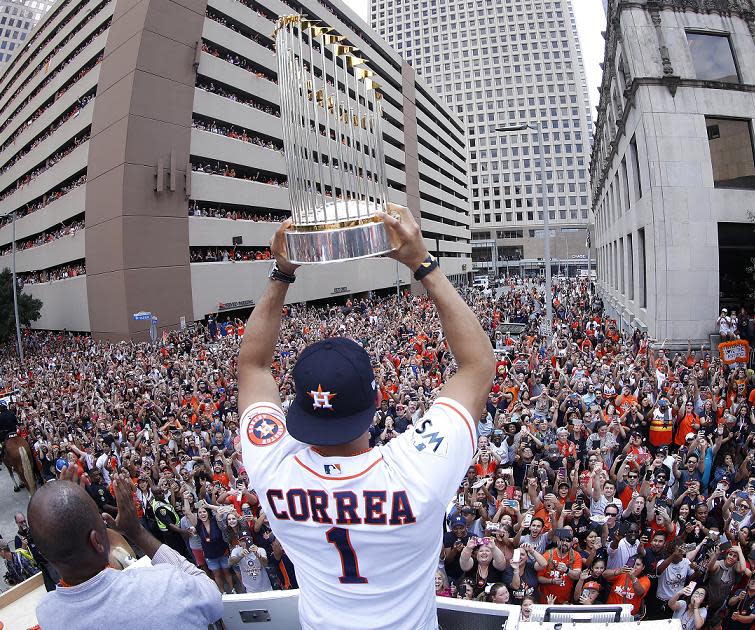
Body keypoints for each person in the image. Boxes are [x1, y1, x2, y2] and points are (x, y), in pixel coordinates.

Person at [237, 206, 495, 629]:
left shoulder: (273, 470)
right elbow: (479, 365)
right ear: (376, 401)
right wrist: (421, 263)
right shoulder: (416, 473)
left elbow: (251, 368)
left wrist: (281, 272)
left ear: (298, 408)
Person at [27, 467, 222, 630]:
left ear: (45, 555)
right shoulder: (164, 584)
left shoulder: (47, 613)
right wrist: (137, 532)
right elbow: (213, 598)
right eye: (102, 522)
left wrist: (65, 507)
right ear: (97, 542)